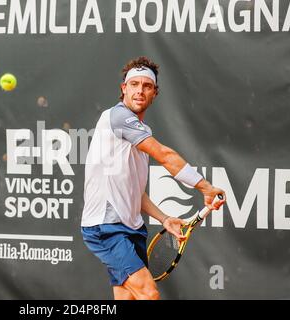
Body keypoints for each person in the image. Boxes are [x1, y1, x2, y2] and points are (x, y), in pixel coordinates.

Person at [80, 56, 226, 300]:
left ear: (155, 93)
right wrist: (205, 187)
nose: (140, 91)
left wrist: (164, 218)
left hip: (131, 227)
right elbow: (165, 155)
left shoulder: (140, 132)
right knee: (149, 294)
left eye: (146, 86)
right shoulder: (117, 117)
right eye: (134, 84)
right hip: (105, 226)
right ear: (123, 89)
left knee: (127, 297)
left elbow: (134, 191)